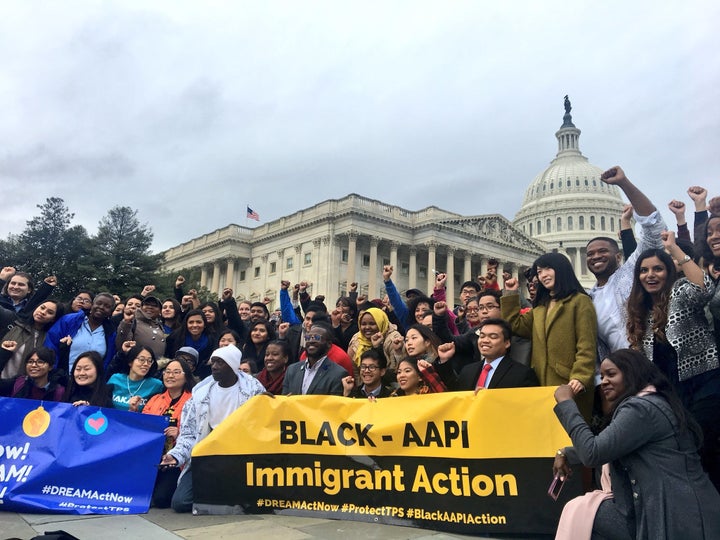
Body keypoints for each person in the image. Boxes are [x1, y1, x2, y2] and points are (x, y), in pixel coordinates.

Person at [552, 349, 720, 539]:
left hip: (677, 516)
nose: (604, 381)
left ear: (632, 373)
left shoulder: (641, 409)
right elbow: (611, 444)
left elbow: (593, 452)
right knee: (586, 511)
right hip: (664, 509)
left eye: (611, 374)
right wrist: (565, 452)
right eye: (602, 376)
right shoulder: (647, 403)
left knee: (581, 511)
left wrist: (566, 403)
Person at [626, 233, 720, 490]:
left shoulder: (680, 292)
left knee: (707, 452)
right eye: (644, 271)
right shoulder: (639, 312)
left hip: (703, 386)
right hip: (672, 397)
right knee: (688, 458)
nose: (650, 275)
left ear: (668, 271)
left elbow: (704, 288)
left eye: (657, 269)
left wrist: (674, 249)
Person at [160, 344, 266, 513]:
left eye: (219, 362)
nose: (214, 367)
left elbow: (262, 426)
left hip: (239, 458)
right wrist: (175, 455)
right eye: (213, 362)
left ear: (232, 365)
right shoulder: (199, 396)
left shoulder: (254, 392)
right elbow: (188, 434)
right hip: (206, 458)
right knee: (180, 503)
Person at [502, 253, 597, 417]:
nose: (543, 275)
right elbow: (514, 326)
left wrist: (580, 377)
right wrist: (511, 293)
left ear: (561, 269)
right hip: (539, 385)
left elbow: (586, 345)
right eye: (539, 272)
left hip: (569, 384)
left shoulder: (579, 301)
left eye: (547, 269)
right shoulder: (539, 308)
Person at [143, 358, 195, 508]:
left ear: (186, 376)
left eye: (176, 372)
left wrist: (179, 434)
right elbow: (143, 428)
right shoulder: (155, 399)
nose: (170, 376)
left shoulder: (193, 401)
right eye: (167, 372)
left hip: (177, 461)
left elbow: (196, 432)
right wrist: (133, 412)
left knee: (161, 499)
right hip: (153, 458)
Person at [435, 319, 539, 391]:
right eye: (482, 336)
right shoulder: (468, 370)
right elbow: (454, 392)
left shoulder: (522, 374)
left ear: (507, 343)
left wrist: (490, 398)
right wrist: (444, 360)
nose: (485, 340)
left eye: (493, 337)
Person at [44, 292, 117, 374]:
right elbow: (51, 345)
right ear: (92, 305)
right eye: (99, 303)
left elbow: (108, 361)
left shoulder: (111, 334)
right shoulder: (69, 321)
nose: (101, 307)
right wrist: (53, 371)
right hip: (62, 378)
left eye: (107, 306)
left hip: (91, 382)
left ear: (111, 311)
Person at [0, 299, 64, 379]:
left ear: (53, 319)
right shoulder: (15, 325)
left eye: (49, 312)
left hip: (23, 386)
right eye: (42, 308)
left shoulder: (49, 339)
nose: (43, 312)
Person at [282, 324, 346, 396]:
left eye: (316, 337)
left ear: (329, 344)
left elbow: (334, 405)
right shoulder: (292, 370)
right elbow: (284, 399)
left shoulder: (338, 373)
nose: (311, 341)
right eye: (308, 337)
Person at [107, 344, 164, 412]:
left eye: (149, 361)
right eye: (141, 359)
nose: (146, 364)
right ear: (130, 362)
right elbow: (104, 403)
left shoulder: (156, 385)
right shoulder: (115, 379)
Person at [347, 307, 404, 374]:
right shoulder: (357, 339)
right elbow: (354, 371)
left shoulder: (393, 339)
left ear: (381, 323)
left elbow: (395, 370)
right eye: (363, 324)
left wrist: (378, 347)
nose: (367, 327)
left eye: (372, 324)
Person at [165, 309, 216, 380]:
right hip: (175, 376)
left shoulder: (211, 340)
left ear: (204, 324)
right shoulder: (175, 337)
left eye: (198, 322)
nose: (195, 325)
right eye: (191, 322)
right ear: (186, 324)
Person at [0, 346, 65, 401]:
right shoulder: (18, 383)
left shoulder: (59, 392)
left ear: (50, 367)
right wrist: (4, 353)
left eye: (40, 362)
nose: (33, 365)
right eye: (30, 361)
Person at [115, 296, 167, 360]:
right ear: (141, 308)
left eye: (155, 305)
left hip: (156, 367)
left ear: (160, 311)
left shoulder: (160, 326)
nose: (150, 307)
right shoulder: (133, 322)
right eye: (146, 304)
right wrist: (126, 322)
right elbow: (121, 344)